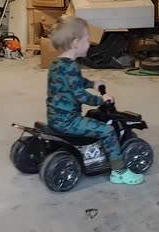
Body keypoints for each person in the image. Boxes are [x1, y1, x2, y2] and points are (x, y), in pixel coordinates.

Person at [46, 16, 144, 185]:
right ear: (76, 43)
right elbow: (81, 96)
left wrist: (93, 83)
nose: (90, 43)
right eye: (87, 39)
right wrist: (102, 99)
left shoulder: (56, 64)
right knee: (107, 131)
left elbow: (73, 83)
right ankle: (119, 171)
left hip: (54, 118)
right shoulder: (72, 67)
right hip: (69, 122)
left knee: (92, 120)